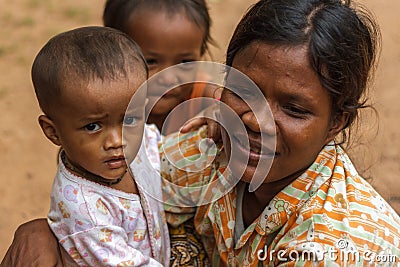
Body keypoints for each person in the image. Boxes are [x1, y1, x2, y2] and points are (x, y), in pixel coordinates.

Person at [3, 0, 400, 266]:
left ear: (337, 123)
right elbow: (112, 193)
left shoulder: (336, 247)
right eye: (244, 90)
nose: (255, 120)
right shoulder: (208, 149)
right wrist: (41, 231)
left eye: (294, 109)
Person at [26, 26, 169, 266]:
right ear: (53, 132)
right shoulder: (83, 209)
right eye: (93, 126)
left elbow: (165, 150)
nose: (117, 141)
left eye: (130, 119)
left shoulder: (137, 139)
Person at [103, 0, 221, 135]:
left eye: (185, 62)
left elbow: (228, 103)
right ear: (113, 54)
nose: (168, 78)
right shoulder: (101, 101)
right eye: (151, 61)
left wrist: (219, 112)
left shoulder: (200, 94)